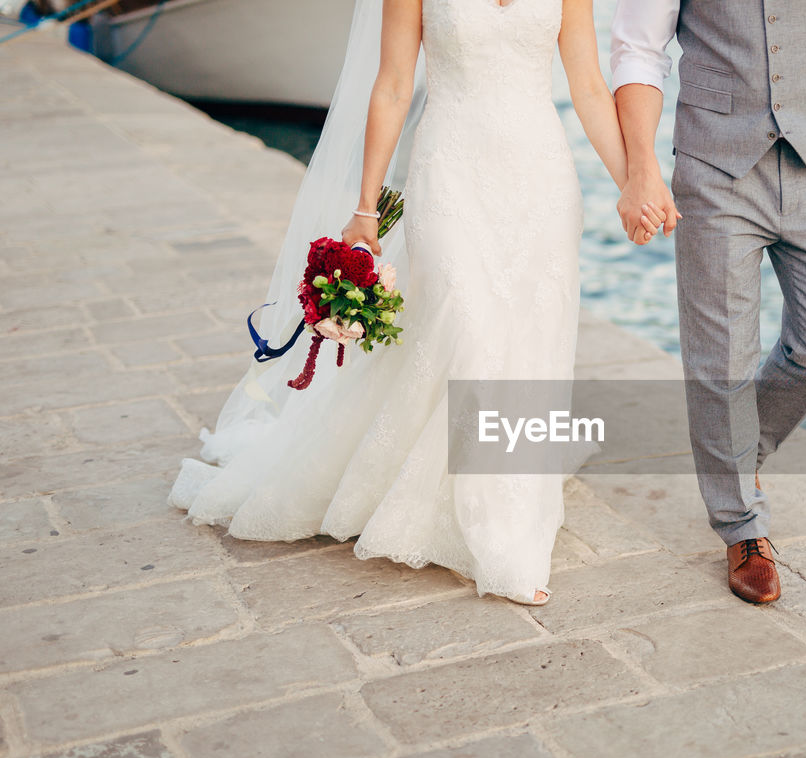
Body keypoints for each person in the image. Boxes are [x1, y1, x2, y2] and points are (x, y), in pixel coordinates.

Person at [168, 0, 666, 606]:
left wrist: (633, 185)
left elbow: (588, 87)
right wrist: (365, 207)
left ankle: (500, 501)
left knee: (527, 337)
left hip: (540, 180)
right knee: (467, 322)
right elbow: (394, 85)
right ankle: (498, 538)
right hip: (449, 171)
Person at [610, 0, 806, 603]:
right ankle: (743, 528)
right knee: (720, 360)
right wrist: (641, 168)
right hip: (715, 168)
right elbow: (640, 50)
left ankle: (734, 459)